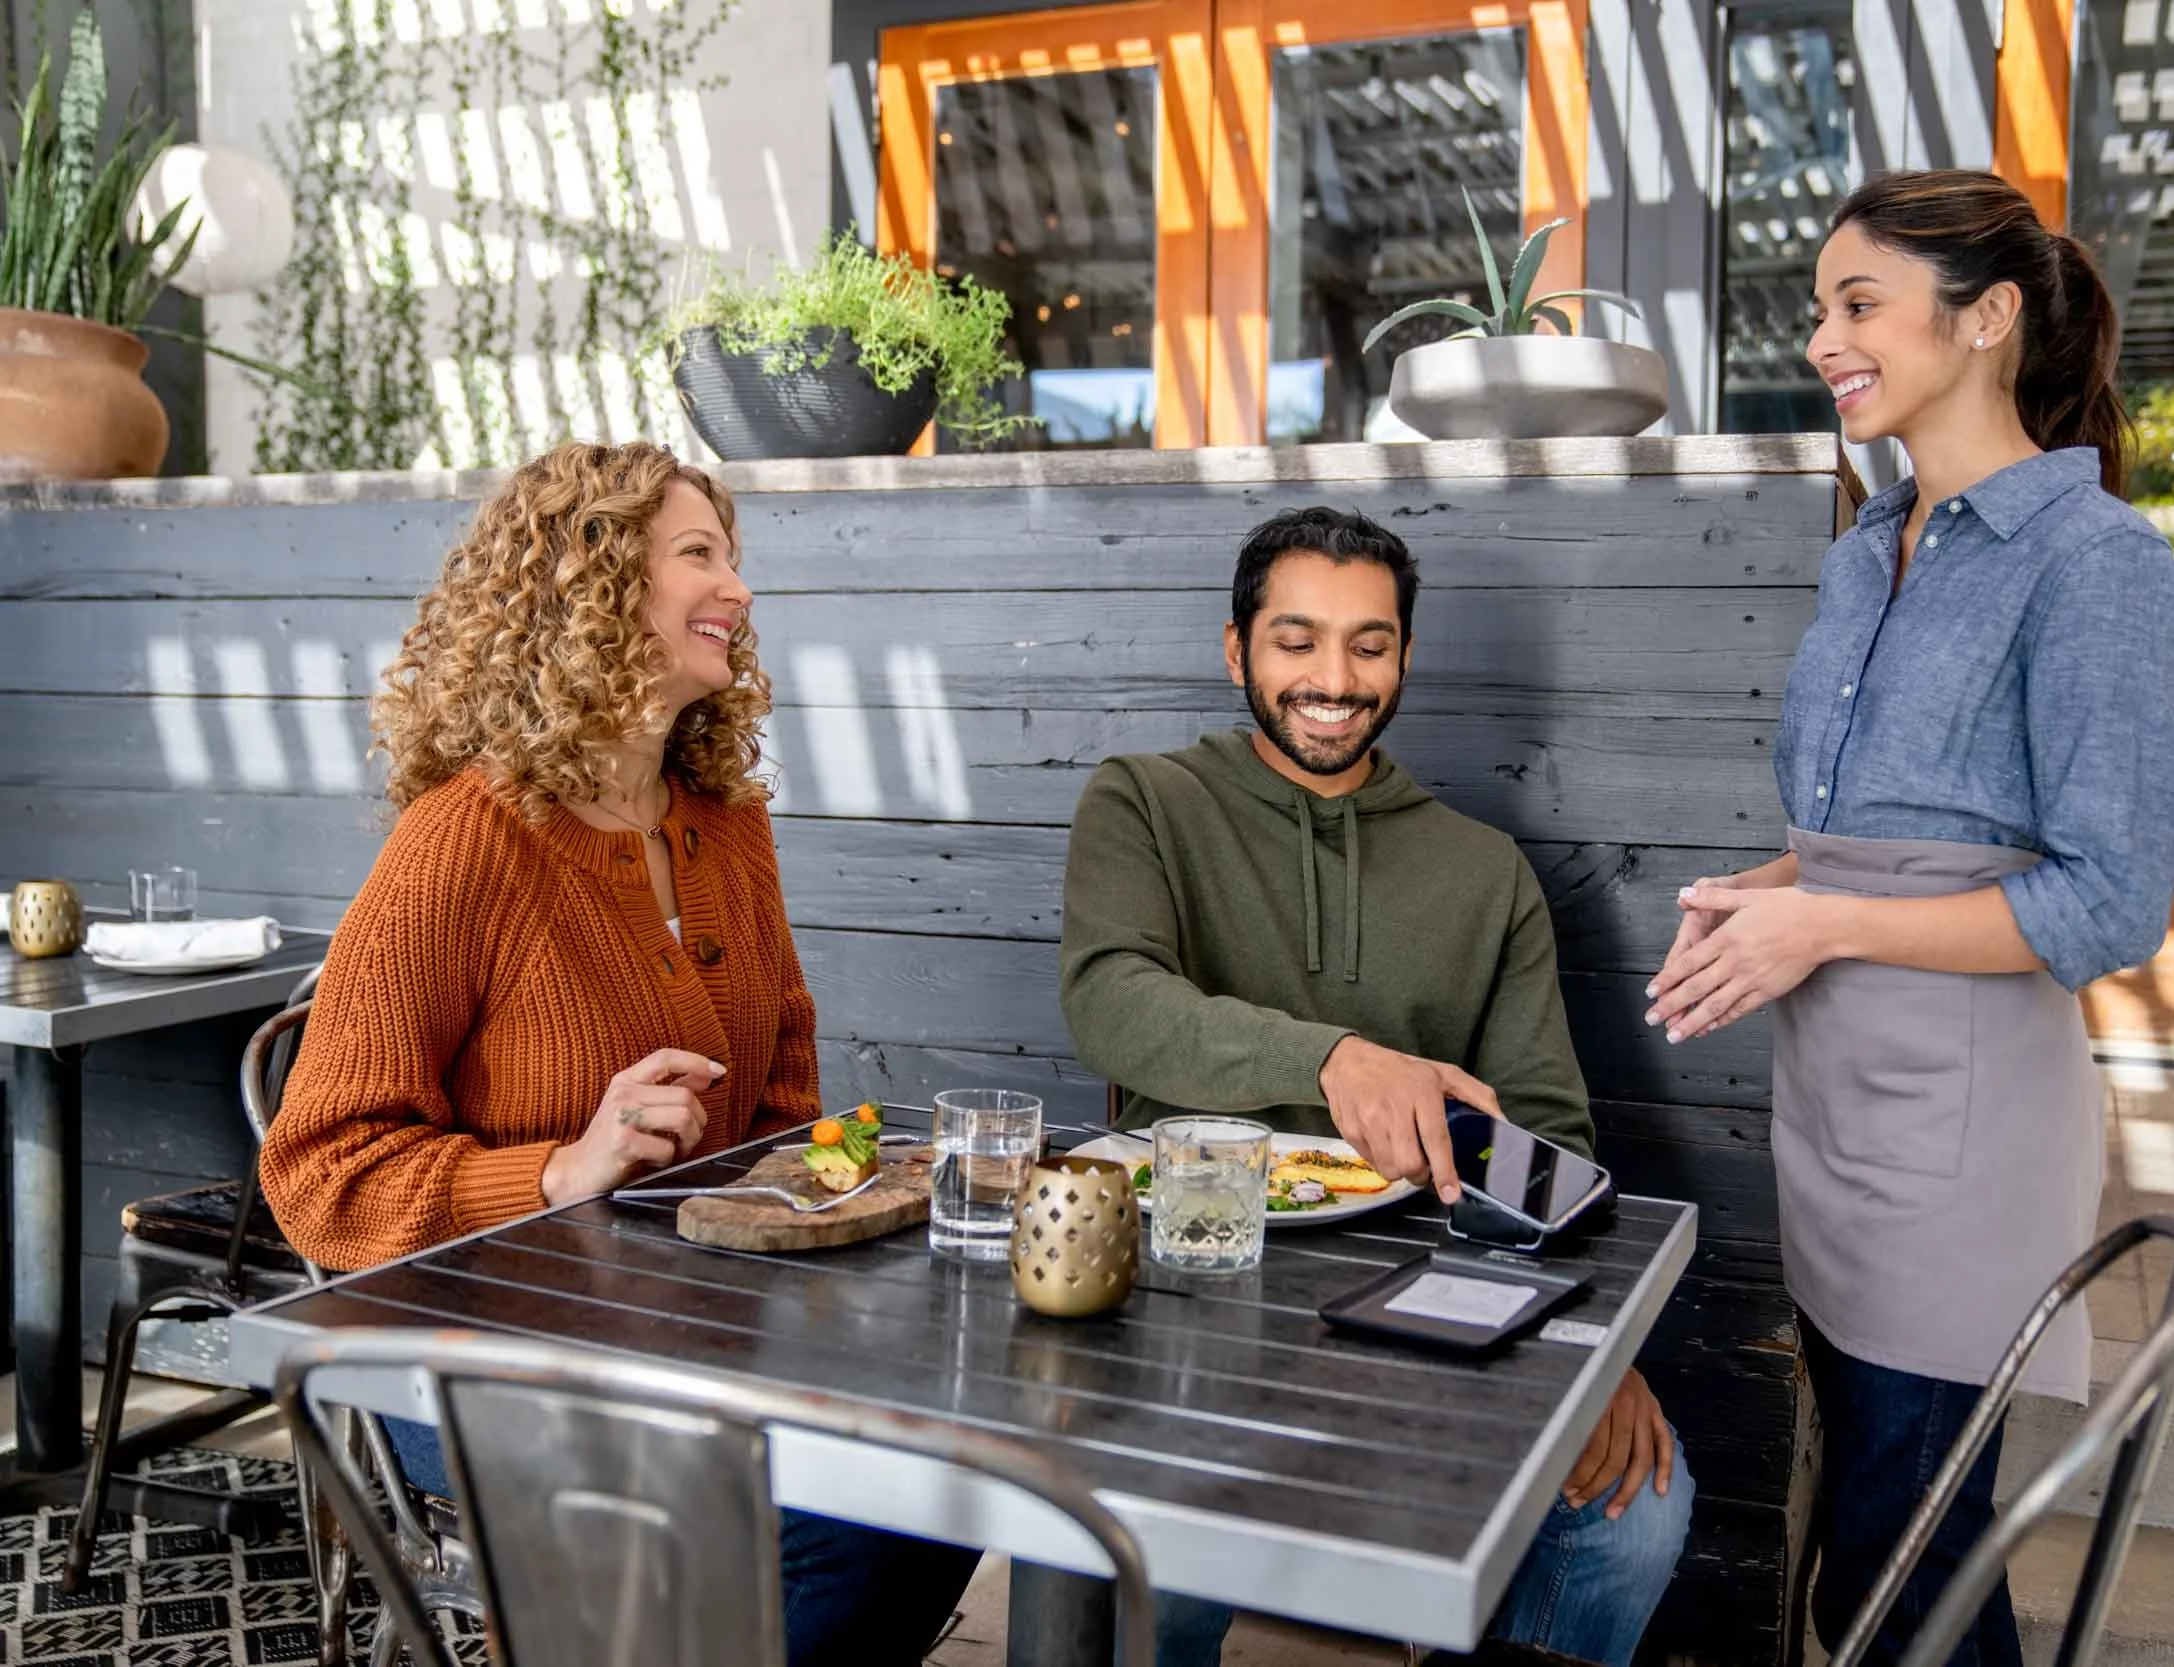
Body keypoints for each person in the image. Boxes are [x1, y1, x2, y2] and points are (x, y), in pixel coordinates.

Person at [258, 440, 978, 1667]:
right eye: (700, 555)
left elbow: (784, 1091)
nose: (739, 591)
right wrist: (554, 1169)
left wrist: (836, 1186)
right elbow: (319, 1172)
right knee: (854, 1526)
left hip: (695, 1331)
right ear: (593, 587)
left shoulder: (728, 830)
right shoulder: (461, 843)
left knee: (950, 1472)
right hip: (472, 1351)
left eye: (732, 559)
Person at [1646, 169, 2174, 1666]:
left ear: (1989, 317)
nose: (1823, 337)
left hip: (1960, 1135)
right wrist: (1757, 902)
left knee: (1903, 1584)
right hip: (1833, 1100)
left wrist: (1816, 925)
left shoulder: (2099, 571)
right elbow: (1877, 844)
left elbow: (2103, 901)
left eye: (1858, 303)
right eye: (1821, 306)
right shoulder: (1864, 544)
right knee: (1887, 1546)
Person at [1059, 506, 1695, 1667]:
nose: (1334, 678)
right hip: (1183, 1295)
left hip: (1420, 1300)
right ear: (1236, 648)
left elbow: (1545, 1132)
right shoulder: (1143, 800)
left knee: (1631, 1512)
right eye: (1296, 640)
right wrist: (1333, 1058)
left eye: (1370, 643)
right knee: (1159, 1537)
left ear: (1403, 655)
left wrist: (1591, 1347)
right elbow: (1111, 997)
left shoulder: (1484, 870)